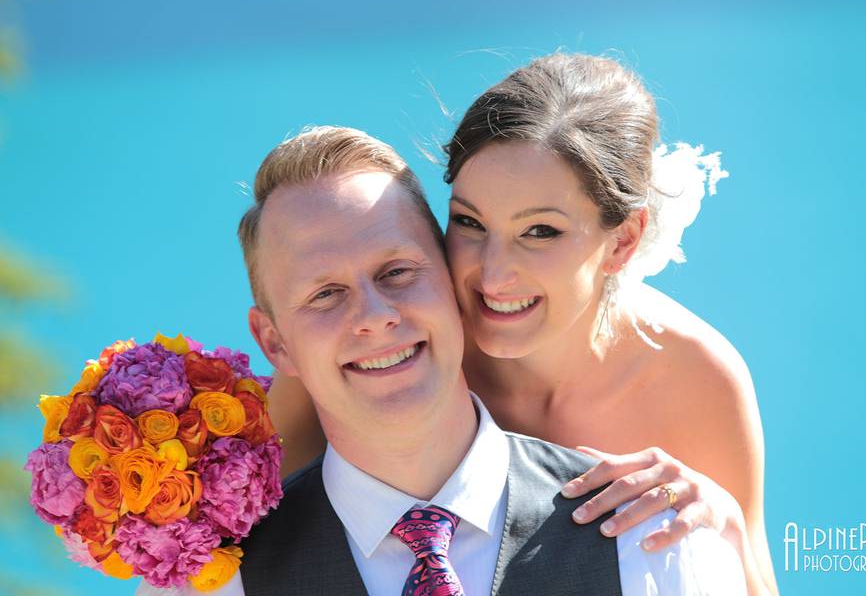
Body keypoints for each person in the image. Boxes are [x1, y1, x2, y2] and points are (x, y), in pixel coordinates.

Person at [148, 126, 746, 595]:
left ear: (458, 287)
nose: (375, 315)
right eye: (325, 294)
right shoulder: (217, 582)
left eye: (398, 272)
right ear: (275, 344)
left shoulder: (652, 543)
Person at [270, 54, 778, 596]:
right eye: (469, 222)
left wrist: (721, 520)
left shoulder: (693, 378)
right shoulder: (392, 344)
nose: (491, 275)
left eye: (539, 231)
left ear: (624, 240)